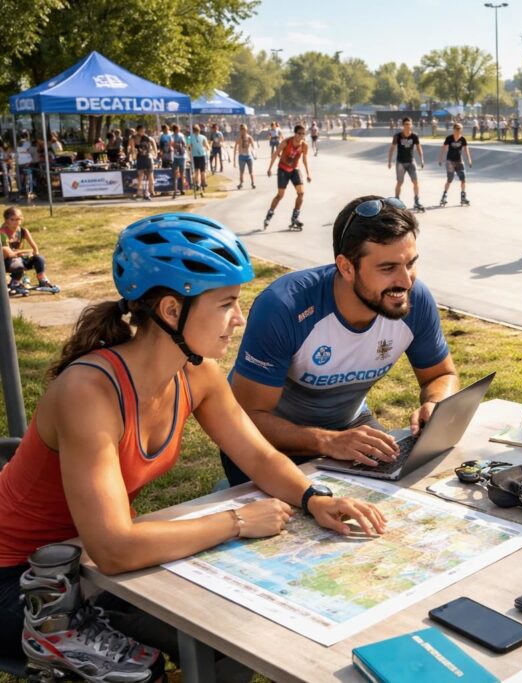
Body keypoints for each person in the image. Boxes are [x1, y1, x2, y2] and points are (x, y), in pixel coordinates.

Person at [0, 213, 386, 681]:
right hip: (24, 578)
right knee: (151, 666)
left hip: (86, 562)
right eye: (226, 304)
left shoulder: (196, 372)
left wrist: (314, 499)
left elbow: (258, 455)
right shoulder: (89, 393)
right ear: (170, 311)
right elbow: (114, 548)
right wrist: (237, 522)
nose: (239, 318)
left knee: (235, 637)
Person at [222, 195, 459, 485]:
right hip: (269, 443)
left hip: (349, 426)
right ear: (346, 268)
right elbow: (245, 418)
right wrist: (328, 441)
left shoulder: (414, 300)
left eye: (410, 264)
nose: (406, 281)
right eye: (388, 268)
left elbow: (441, 375)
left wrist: (436, 403)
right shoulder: (284, 306)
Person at [263, 124, 311, 231]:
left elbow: (304, 160)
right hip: (283, 169)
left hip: (295, 169)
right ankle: (269, 214)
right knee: (280, 195)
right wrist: (269, 168)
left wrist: (308, 173)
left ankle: (295, 218)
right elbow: (276, 153)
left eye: (303, 134)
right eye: (299, 133)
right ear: (295, 133)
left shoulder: (304, 146)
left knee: (301, 193)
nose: (301, 136)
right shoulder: (286, 142)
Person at [2, 207, 59, 295]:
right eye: (12, 219)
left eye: (18, 219)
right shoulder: (2, 233)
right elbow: (10, 254)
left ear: (21, 219)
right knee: (17, 262)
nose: (15, 222)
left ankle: (42, 280)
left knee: (39, 258)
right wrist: (26, 252)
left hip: (19, 259)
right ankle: (14, 283)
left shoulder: (23, 231)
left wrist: (30, 253)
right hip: (5, 263)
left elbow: (35, 249)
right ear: (6, 220)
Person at [387, 118, 425, 211]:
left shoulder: (414, 136)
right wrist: (389, 161)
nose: (408, 126)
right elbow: (392, 148)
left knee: (415, 182)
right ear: (403, 125)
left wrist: (421, 160)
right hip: (400, 162)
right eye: (406, 124)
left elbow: (419, 148)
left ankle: (416, 201)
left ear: (411, 125)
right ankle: (396, 200)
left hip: (411, 161)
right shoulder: (397, 136)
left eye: (409, 124)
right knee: (400, 182)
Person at [437, 122, 472, 207]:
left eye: (460, 129)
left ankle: (463, 197)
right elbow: (443, 148)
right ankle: (444, 196)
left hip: (459, 161)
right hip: (450, 161)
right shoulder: (449, 138)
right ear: (454, 129)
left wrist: (469, 160)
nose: (458, 130)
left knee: (463, 179)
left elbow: (466, 150)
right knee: (450, 179)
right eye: (457, 129)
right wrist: (440, 159)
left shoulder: (463, 139)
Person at [129, 124, 157, 201]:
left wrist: (155, 152)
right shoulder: (133, 137)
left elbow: (153, 142)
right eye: (141, 130)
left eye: (143, 130)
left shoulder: (147, 137)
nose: (142, 131)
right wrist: (133, 155)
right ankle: (139, 192)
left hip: (148, 157)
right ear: (137, 130)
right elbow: (132, 147)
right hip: (140, 158)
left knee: (150, 175)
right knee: (140, 176)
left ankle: (151, 191)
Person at [233, 123, 257, 190]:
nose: (242, 131)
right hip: (241, 157)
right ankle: (241, 183)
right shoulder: (238, 138)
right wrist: (234, 161)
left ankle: (253, 183)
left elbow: (253, 146)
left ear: (246, 130)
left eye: (244, 130)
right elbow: (235, 149)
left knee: (251, 171)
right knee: (241, 172)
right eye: (241, 130)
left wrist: (254, 153)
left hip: (249, 156)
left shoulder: (249, 137)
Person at [187, 124, 210, 195]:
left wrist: (189, 155)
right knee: (202, 171)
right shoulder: (203, 137)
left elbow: (189, 147)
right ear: (199, 130)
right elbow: (207, 146)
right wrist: (207, 149)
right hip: (202, 155)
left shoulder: (190, 137)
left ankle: (198, 183)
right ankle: (203, 183)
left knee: (196, 170)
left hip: (195, 156)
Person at [169, 124, 189, 197]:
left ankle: (182, 188)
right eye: (177, 129)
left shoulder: (181, 135)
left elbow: (184, 145)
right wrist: (176, 145)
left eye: (179, 129)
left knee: (182, 173)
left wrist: (180, 146)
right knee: (175, 174)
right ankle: (175, 190)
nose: (178, 130)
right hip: (175, 157)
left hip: (182, 157)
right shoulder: (171, 136)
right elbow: (171, 145)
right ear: (175, 129)